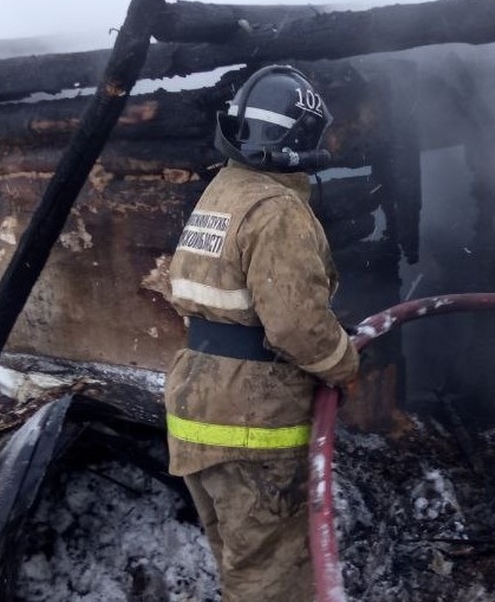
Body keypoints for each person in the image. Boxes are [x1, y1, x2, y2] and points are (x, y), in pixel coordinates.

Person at [163, 64, 359, 602]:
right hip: (252, 418)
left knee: (240, 566)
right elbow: (296, 325)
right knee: (272, 577)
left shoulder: (221, 193)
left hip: (196, 406)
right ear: (299, 138)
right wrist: (345, 364)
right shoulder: (277, 210)